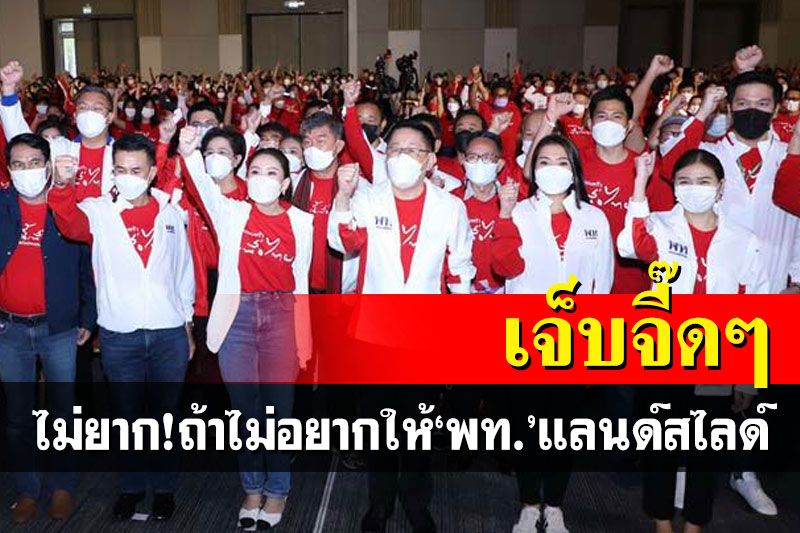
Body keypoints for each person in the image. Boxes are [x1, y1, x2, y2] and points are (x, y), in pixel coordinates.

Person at [328, 120, 475, 533]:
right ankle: (380, 503)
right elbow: (344, 243)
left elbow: (460, 269)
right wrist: (343, 196)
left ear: (429, 160)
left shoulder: (450, 207)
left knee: (419, 426)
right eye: (394, 149)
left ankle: (415, 501)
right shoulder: (367, 198)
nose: (401, 157)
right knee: (378, 426)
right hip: (375, 332)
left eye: (412, 150)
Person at [47, 133, 195, 521]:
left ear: (151, 173)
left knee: (166, 417)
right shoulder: (98, 210)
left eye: (135, 170)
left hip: (168, 333)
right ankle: (131, 488)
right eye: (120, 170)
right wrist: (62, 185)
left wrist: (188, 324)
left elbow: (184, 272)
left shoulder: (170, 213)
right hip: (119, 334)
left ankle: (163, 489)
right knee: (126, 418)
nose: (127, 177)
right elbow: (68, 223)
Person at [619, 149, 765, 532]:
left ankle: (696, 524)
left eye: (703, 182)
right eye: (685, 182)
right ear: (675, 188)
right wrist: (640, 182)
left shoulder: (744, 240)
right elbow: (629, 244)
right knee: (661, 443)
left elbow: (756, 312)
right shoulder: (659, 226)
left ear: (720, 187)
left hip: (718, 356)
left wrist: (749, 377)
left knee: (706, 448)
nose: (694, 189)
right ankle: (662, 521)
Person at [178, 127, 312, 530]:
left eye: (272, 173)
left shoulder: (302, 223)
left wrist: (304, 337)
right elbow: (202, 185)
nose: (262, 179)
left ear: (285, 183)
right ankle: (252, 488)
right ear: (245, 176)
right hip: (237, 317)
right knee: (245, 412)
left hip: (282, 316)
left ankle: (278, 490)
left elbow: (302, 282)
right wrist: (188, 151)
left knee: (278, 412)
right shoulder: (231, 212)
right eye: (255, 171)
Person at [491, 134, 613, 533]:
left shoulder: (594, 219)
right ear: (533, 169)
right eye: (544, 161)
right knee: (526, 428)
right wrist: (504, 215)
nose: (553, 169)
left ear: (575, 170)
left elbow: (602, 284)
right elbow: (504, 268)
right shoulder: (518, 212)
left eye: (562, 161)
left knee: (563, 428)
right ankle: (529, 504)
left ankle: (555, 504)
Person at [0, 133, 96, 524]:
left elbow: (86, 267)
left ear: (48, 165)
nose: (26, 171)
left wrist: (88, 317)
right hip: (9, 330)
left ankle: (62, 487)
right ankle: (28, 489)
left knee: (62, 413)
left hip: (58, 329)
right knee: (18, 416)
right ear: (9, 170)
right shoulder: (3, 206)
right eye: (18, 164)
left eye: (34, 163)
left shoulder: (66, 207)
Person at [1, 61, 115, 201]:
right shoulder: (59, 148)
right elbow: (21, 141)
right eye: (83, 108)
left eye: (97, 108)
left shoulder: (123, 154)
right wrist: (8, 89)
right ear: (75, 115)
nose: (89, 113)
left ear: (110, 117)